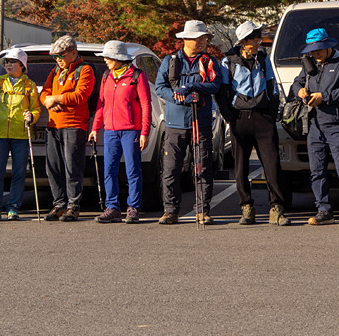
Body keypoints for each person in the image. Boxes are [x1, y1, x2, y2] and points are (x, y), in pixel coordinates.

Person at [219, 22, 291, 226]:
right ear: (243, 41)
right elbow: (222, 93)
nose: (259, 42)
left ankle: (276, 208)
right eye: (255, 39)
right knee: (240, 167)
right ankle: (246, 207)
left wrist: (271, 113)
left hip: (263, 118)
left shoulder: (263, 58)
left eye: (259, 38)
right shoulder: (228, 62)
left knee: (272, 164)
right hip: (239, 118)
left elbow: (272, 87)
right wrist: (229, 116)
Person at [290, 28, 339, 228]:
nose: (316, 53)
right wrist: (300, 91)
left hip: (337, 125)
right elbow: (296, 83)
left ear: (329, 46)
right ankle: (324, 211)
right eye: (312, 50)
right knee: (317, 171)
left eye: (319, 49)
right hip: (314, 125)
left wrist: (324, 97)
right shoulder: (308, 63)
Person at [155, 21, 222, 225]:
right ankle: (170, 211)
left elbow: (215, 84)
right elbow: (160, 88)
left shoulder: (209, 61)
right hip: (174, 123)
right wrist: (179, 97)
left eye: (204, 38)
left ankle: (202, 211)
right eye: (197, 38)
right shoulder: (170, 61)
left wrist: (194, 87)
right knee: (171, 170)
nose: (202, 42)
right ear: (185, 39)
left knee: (202, 168)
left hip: (200, 122)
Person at [89, 41, 152, 224]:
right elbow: (101, 104)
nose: (105, 60)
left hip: (131, 131)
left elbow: (146, 105)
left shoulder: (137, 76)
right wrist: (95, 128)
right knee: (109, 170)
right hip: (110, 131)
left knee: (132, 170)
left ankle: (133, 208)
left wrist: (144, 132)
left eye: (108, 57)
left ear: (118, 58)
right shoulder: (106, 76)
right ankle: (112, 207)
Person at [0, 49, 41, 220]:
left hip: (21, 135)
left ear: (22, 65)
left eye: (12, 61)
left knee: (19, 173)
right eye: (6, 61)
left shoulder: (30, 85)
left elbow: (36, 108)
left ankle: (13, 208)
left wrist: (32, 116)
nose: (8, 64)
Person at [40, 34, 96, 222]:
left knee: (72, 167)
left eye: (61, 56)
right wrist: (48, 102)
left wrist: (56, 99)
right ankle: (59, 204)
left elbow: (81, 95)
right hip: (53, 125)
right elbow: (44, 92)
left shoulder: (85, 69)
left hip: (74, 124)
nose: (58, 59)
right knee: (53, 167)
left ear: (73, 52)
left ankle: (73, 206)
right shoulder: (55, 71)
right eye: (55, 56)